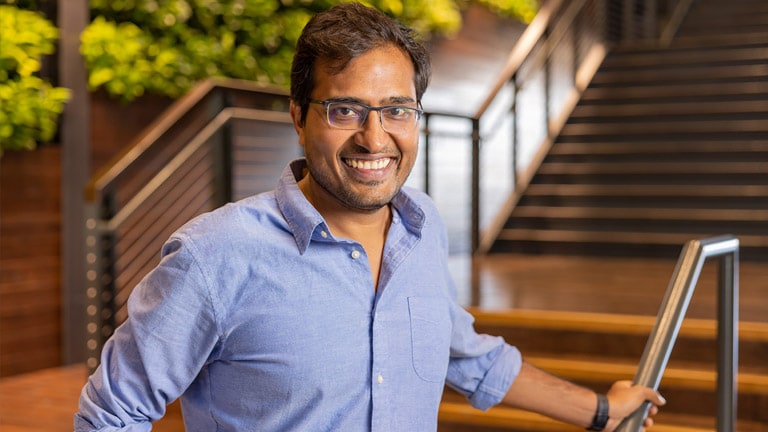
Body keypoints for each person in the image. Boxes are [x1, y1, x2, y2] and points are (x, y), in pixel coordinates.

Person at [75, 3, 665, 431]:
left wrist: (604, 410)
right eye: (345, 109)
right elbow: (111, 414)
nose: (373, 137)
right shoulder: (216, 253)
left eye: (396, 110)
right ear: (299, 117)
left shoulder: (422, 226)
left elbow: (463, 354)